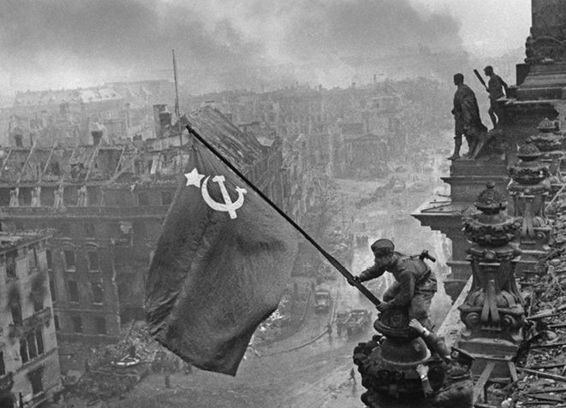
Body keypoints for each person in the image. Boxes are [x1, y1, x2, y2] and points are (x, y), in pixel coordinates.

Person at [352, 239, 437, 329]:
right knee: (388, 296)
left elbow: (406, 295)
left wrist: (388, 305)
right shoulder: (388, 260)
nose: (376, 260)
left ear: (389, 256)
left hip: (424, 283)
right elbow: (377, 269)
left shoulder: (404, 270)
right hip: (407, 280)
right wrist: (361, 277)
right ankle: (400, 320)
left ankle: (427, 332)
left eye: (379, 257)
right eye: (376, 257)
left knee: (418, 312)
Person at [449, 73, 487, 160]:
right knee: (458, 134)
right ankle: (456, 153)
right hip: (459, 116)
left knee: (468, 134)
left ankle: (471, 152)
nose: (453, 81)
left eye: (455, 79)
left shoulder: (464, 90)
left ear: (459, 80)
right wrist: (455, 110)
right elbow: (459, 103)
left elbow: (467, 104)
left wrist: (467, 118)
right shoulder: (461, 90)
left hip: (464, 117)